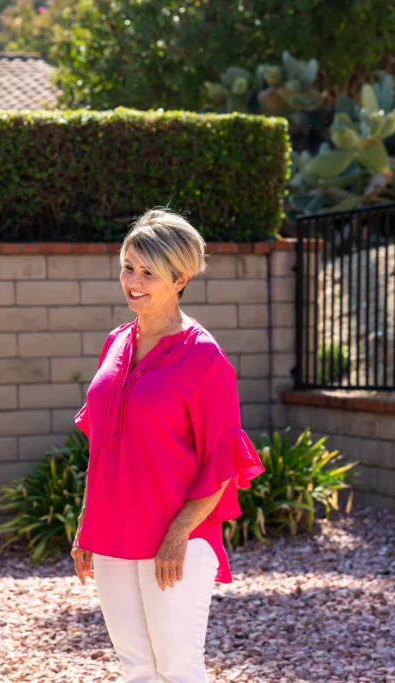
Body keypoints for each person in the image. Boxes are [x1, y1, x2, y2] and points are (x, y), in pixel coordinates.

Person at [71, 209, 265, 683]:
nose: (133, 282)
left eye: (148, 273)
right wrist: (86, 524)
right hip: (113, 534)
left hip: (174, 539)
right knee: (136, 668)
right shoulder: (117, 341)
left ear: (180, 278)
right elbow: (103, 449)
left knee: (177, 669)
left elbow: (222, 460)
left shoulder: (204, 357)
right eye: (127, 267)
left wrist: (177, 536)